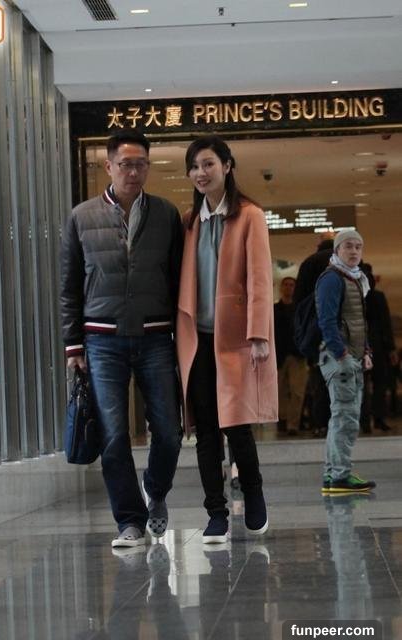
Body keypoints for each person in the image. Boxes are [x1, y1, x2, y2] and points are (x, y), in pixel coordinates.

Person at [60, 129, 183, 548]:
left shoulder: (166, 214)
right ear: (108, 166)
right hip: (101, 341)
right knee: (112, 435)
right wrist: (73, 345)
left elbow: (179, 280)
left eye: (141, 164)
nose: (134, 172)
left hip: (155, 337)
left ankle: (156, 490)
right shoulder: (82, 216)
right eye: (126, 164)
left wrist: (182, 339)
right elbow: (69, 286)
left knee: (168, 431)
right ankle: (130, 521)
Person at [176, 135, 278, 543]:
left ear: (227, 166)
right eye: (194, 166)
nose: (201, 173)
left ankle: (253, 494)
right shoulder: (190, 221)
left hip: (235, 339)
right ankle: (215, 512)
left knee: (236, 425)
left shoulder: (249, 215)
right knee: (205, 430)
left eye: (208, 164)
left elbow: (260, 278)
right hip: (197, 340)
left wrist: (258, 333)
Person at [316, 229, 376, 493]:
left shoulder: (355, 279)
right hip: (340, 359)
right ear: (337, 250)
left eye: (358, 247)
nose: (354, 251)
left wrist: (366, 351)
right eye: (348, 246)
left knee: (341, 418)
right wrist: (342, 354)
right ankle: (340, 475)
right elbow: (327, 321)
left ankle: (333, 474)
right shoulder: (332, 279)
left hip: (351, 356)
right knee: (346, 419)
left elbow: (357, 321)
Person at [294, 237, 333, 437]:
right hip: (342, 328)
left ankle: (321, 423)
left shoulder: (309, 263)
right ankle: (341, 422)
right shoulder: (345, 260)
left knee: (319, 379)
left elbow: (298, 300)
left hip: (316, 329)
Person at [360, 263, 397, 432]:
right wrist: (391, 348)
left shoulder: (354, 296)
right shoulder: (378, 297)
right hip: (378, 346)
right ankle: (378, 418)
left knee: (362, 385)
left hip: (361, 346)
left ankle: (365, 420)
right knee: (379, 384)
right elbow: (385, 323)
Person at [274, 277, 308, 436]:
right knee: (279, 390)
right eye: (286, 285)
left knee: (297, 391)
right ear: (281, 288)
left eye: (291, 285)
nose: (288, 288)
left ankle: (293, 424)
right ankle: (282, 418)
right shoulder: (274, 309)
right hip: (279, 355)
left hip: (297, 354)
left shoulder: (300, 309)